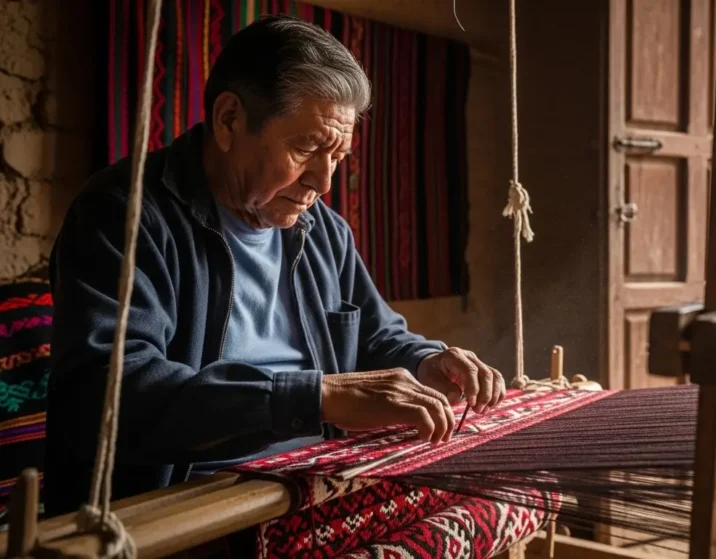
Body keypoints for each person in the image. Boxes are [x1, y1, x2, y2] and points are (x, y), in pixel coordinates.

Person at [43, 15, 503, 517]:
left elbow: (375, 336)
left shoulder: (322, 230)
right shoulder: (123, 215)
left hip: (307, 484)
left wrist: (425, 361)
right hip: (170, 508)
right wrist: (312, 397)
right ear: (229, 120)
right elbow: (111, 394)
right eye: (306, 147)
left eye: (338, 156)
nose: (323, 182)